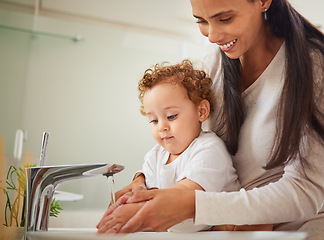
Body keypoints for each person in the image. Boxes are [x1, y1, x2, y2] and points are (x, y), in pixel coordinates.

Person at [99, 0, 324, 239]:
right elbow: (194, 147)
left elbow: (305, 190)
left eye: (225, 18)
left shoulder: (314, 67)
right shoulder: (214, 65)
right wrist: (143, 181)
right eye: (201, 21)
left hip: (299, 232)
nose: (213, 35)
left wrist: (191, 205)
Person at [97, 60, 272, 233]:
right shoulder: (155, 156)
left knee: (248, 223)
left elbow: (186, 193)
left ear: (201, 111)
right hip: (186, 229)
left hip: (214, 224)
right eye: (154, 120)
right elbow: (151, 194)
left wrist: (136, 210)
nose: (162, 127)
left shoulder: (208, 148)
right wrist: (131, 201)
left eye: (171, 116)